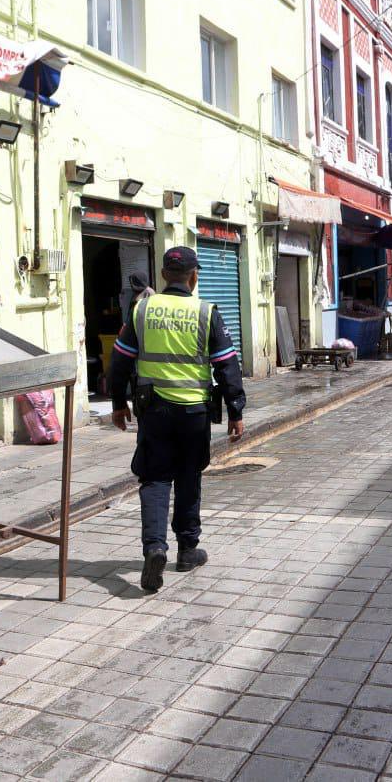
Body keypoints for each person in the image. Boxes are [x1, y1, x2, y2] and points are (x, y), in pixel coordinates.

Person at [110, 247, 246, 592]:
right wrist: (236, 410)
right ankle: (187, 549)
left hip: (153, 410)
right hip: (193, 413)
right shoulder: (205, 312)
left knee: (155, 479)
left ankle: (155, 547)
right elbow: (227, 364)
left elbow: (121, 360)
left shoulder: (142, 310)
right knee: (188, 477)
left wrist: (117, 403)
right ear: (194, 276)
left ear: (163, 276)